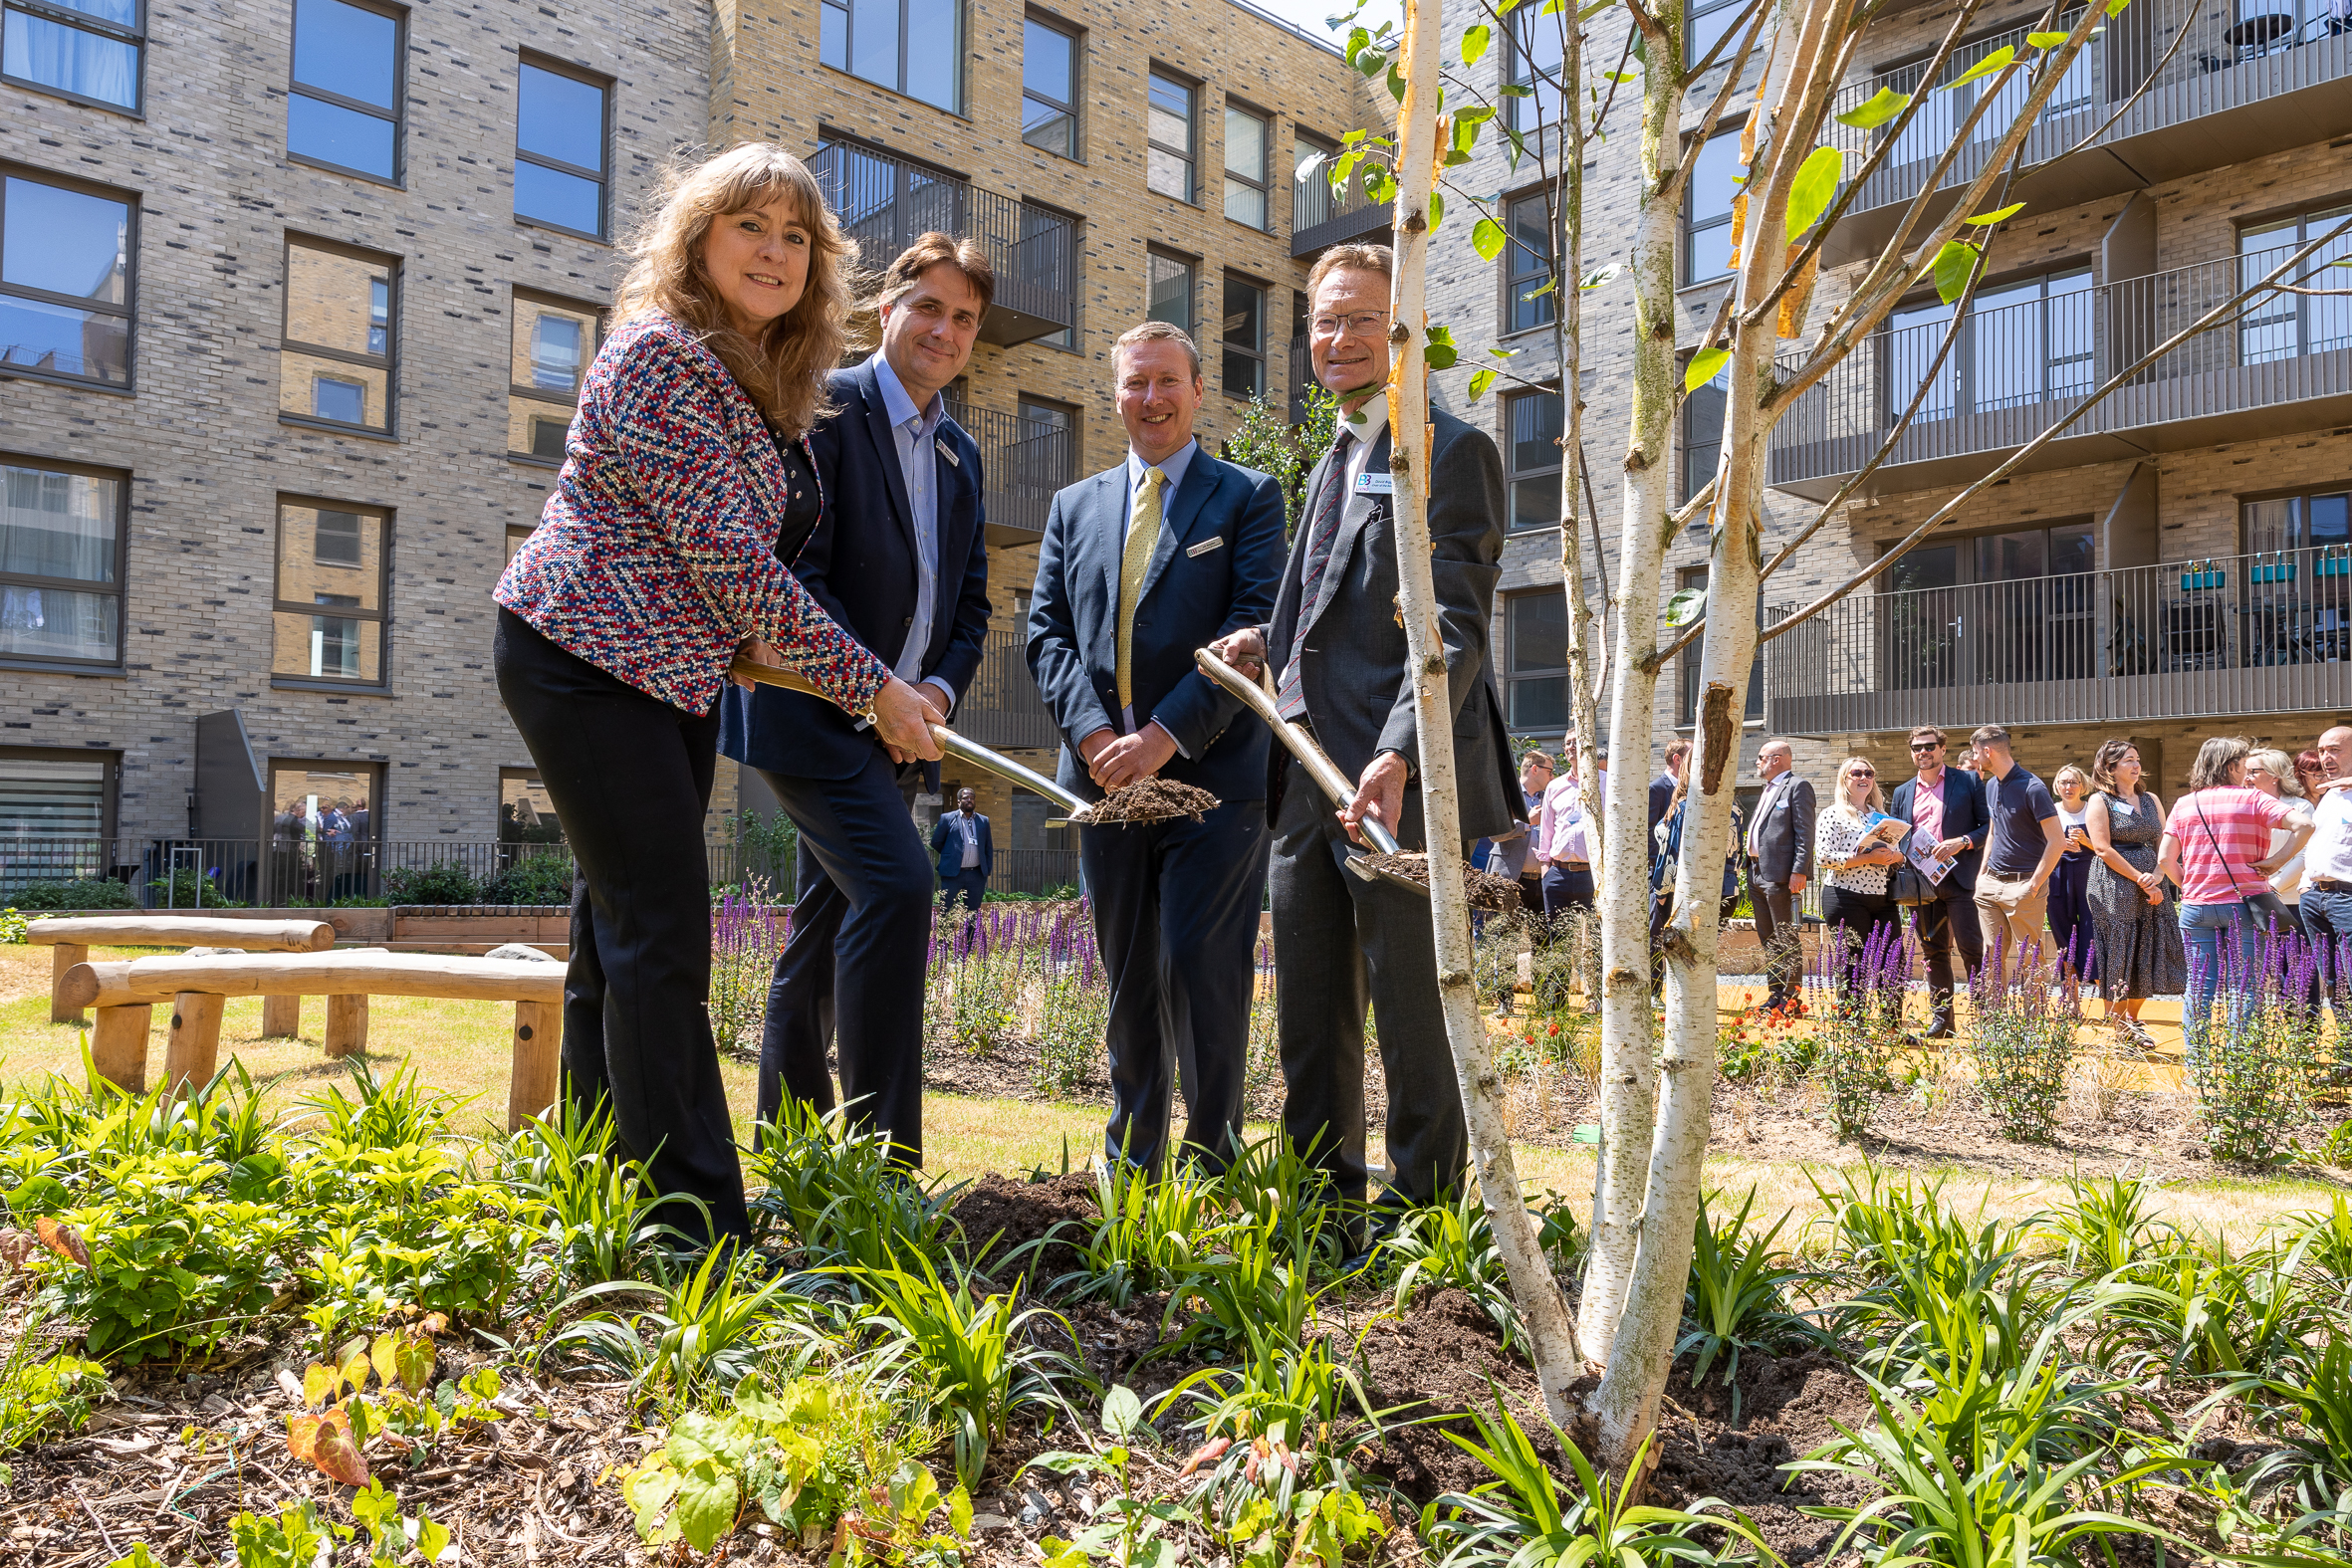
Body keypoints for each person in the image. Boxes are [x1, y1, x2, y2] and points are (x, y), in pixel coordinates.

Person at [494, 144, 940, 1249]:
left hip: (664, 672)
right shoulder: (662, 358)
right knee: (662, 936)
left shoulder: (756, 381)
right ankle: (694, 1225)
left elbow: (724, 592)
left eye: (797, 237)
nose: (776, 252)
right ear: (698, 236)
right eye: (752, 226)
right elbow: (736, 567)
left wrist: (821, 674)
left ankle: (601, 1182)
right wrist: (870, 687)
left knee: (615, 931)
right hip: (585, 655)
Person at [1206, 241, 1520, 1231]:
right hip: (1303, 777)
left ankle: (1428, 1223)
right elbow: (1324, 604)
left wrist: (1394, 756)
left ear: (1404, 332)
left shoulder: (1450, 450)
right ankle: (1322, 1213)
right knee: (1310, 1012)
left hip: (1402, 781)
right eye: (1323, 320)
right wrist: (1265, 638)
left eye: (1358, 318)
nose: (1337, 338)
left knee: (1412, 1016)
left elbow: (1454, 629)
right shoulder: (1337, 452)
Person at [718, 231, 995, 1158]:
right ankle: (885, 1164)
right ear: (888, 308)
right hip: (814, 712)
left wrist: (937, 694)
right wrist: (873, 688)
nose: (943, 330)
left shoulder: (959, 453)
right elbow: (796, 574)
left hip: (903, 731)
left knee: (824, 920)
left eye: (963, 317)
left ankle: (794, 1149)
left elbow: (970, 605)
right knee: (899, 886)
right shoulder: (823, 408)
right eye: (928, 306)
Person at [1025, 319, 1286, 1173]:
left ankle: (1213, 1168)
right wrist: (1099, 736)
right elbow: (1047, 634)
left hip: (1212, 780)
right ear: (1116, 393)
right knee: (1129, 978)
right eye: (1135, 383)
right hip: (1100, 781)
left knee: (1203, 973)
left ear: (1199, 390)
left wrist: (1161, 737)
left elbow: (1251, 629)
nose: (1151, 398)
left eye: (1167, 380)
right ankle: (1131, 1166)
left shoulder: (1248, 496)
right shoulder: (1075, 505)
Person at [2157, 736, 2310, 1067]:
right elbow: (2305, 824)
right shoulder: (2254, 800)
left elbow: (2166, 860)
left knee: (2199, 986)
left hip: (2197, 907)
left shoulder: (2185, 803)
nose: (2247, 773)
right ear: (2231, 766)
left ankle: (2198, 1062)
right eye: (2243, 765)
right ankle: (2239, 1061)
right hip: (2247, 904)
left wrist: (2192, 886)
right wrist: (2276, 862)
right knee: (2245, 985)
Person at [2081, 738, 2183, 1048]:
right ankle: (2120, 1027)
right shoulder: (2100, 801)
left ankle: (2133, 1020)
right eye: (2128, 760)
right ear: (2110, 767)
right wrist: (2141, 878)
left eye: (2137, 759)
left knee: (2147, 949)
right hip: (2115, 885)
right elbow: (2101, 847)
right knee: (2120, 952)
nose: (2136, 765)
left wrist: (2157, 876)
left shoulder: (2151, 799)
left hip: (2153, 881)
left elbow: (2165, 842)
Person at [1888, 726, 1988, 1039]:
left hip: (1960, 882)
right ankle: (1943, 1022)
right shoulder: (1903, 792)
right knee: (1933, 952)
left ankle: (1987, 1022)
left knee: (1972, 950)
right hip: (1922, 884)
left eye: (1929, 746)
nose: (1923, 752)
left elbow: (1989, 826)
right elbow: (1898, 835)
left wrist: (1963, 841)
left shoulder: (1969, 781)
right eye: (1917, 748)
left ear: (1942, 749)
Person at [1970, 725, 2066, 988]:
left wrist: (2033, 886)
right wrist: (1981, 877)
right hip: (1990, 884)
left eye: (1976, 752)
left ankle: (2033, 1025)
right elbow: (1993, 831)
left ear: (1987, 751)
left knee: (2030, 960)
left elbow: (2057, 841)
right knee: (1991, 958)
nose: (1975, 758)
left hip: (2023, 886)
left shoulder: (2032, 788)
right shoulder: (1991, 785)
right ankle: (1994, 1025)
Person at [1814, 757, 1906, 1017]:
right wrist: (1868, 858)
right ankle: (1852, 1026)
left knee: (1893, 962)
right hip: (1845, 897)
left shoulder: (1883, 817)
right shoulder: (1832, 814)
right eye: (1857, 773)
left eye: (1869, 773)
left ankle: (1891, 1025)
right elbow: (1824, 858)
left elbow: (1899, 855)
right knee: (1852, 963)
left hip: (1883, 898)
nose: (1864, 777)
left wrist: (1895, 857)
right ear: (1845, 779)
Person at [1744, 739, 1814, 1012]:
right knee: (1768, 938)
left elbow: (1805, 833)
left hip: (1781, 876)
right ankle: (1775, 994)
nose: (1757, 762)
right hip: (1756, 871)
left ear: (1777, 759)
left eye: (1761, 757)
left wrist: (1799, 870)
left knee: (1786, 937)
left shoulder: (1797, 787)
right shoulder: (1768, 789)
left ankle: (1791, 998)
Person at [2299, 726, 2352, 1006]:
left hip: (2347, 898)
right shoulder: (2330, 795)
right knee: (2333, 984)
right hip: (2315, 898)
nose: (2326, 757)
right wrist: (2306, 882)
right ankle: (2346, 1047)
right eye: (2322, 750)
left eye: (2335, 749)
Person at [1537, 734, 1602, 915]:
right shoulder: (1554, 786)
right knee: (1557, 940)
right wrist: (1545, 872)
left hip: (1593, 875)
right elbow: (1546, 829)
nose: (1571, 747)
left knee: (1597, 940)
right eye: (1568, 743)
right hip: (1558, 875)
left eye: (1577, 742)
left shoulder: (1605, 782)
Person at [2046, 765, 2098, 985]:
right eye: (2063, 782)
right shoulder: (2050, 811)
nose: (2068, 787)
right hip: (2058, 877)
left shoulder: (2094, 809)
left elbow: (2109, 848)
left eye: (2073, 782)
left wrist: (2086, 841)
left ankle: (2109, 1008)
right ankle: (2072, 1003)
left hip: (2090, 877)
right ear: (2057, 787)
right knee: (2063, 938)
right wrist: (2058, 845)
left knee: (2093, 936)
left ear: (2082, 785)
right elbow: (2039, 845)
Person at [1494, 749, 1551, 918]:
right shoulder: (1505, 794)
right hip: (1510, 880)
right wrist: (1527, 822)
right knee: (1506, 938)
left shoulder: (1548, 797)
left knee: (1543, 942)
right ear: (1535, 769)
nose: (1552, 777)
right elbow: (1494, 835)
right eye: (1549, 772)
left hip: (1542, 882)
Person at [930, 786, 993, 916]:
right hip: (953, 874)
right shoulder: (947, 818)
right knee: (945, 911)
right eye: (965, 798)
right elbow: (936, 842)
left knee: (973, 913)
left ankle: (971, 937)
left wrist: (987, 869)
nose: (969, 800)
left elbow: (988, 847)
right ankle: (944, 936)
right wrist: (951, 854)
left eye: (972, 798)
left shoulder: (983, 821)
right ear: (959, 801)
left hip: (976, 875)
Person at [1650, 739, 1688, 847]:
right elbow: (1649, 832)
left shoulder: (1691, 788)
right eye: (1692, 757)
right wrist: (1661, 862)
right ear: (1677, 759)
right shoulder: (1656, 789)